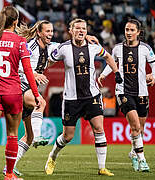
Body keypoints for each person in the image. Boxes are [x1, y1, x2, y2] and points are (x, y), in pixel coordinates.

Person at [2, 20, 99, 176]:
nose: (50, 34)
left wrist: (85, 37)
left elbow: (68, 45)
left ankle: (9, 168)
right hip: (18, 86)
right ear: (39, 33)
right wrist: (33, 74)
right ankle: (38, 136)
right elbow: (17, 67)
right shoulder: (30, 47)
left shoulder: (51, 46)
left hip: (29, 88)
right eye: (47, 31)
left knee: (28, 136)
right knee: (40, 102)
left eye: (51, 31)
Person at [45, 18, 122, 176]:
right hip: (71, 99)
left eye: (84, 29)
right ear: (71, 30)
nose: (81, 31)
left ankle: (102, 167)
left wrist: (117, 72)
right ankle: (52, 156)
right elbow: (48, 62)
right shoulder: (63, 48)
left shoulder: (93, 47)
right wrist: (37, 71)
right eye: (77, 28)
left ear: (87, 31)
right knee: (68, 136)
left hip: (92, 96)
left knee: (99, 128)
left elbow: (108, 57)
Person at [0, 6, 42, 180]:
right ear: (15, 22)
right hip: (13, 93)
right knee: (12, 135)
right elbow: (28, 71)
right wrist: (36, 95)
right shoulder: (20, 42)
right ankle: (10, 174)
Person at [98, 19, 155, 172]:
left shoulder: (146, 48)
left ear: (138, 32)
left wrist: (154, 76)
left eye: (132, 30)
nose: (129, 32)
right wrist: (103, 75)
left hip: (142, 92)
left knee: (140, 128)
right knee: (136, 126)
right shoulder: (118, 48)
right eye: (127, 29)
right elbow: (112, 64)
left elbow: (154, 65)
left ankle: (133, 153)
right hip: (123, 91)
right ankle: (142, 160)